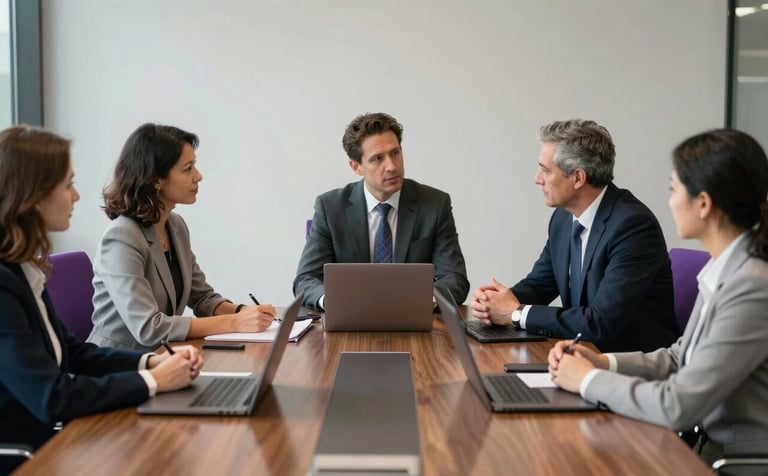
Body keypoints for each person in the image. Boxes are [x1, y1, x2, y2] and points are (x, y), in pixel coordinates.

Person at [548, 128, 768, 464]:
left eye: (674, 189)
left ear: (704, 204)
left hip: (730, 461)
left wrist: (588, 380)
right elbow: (680, 358)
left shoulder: (752, 286)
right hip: (698, 445)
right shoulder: (726, 270)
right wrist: (601, 362)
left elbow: (677, 405)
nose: (669, 202)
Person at [0, 125, 202, 472]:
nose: (76, 197)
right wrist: (153, 381)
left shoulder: (23, 269)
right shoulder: (3, 286)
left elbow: (74, 353)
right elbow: (53, 396)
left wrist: (149, 364)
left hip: (57, 442)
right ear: (32, 196)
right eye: (68, 184)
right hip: (31, 457)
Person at [470, 119, 678, 352]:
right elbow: (540, 285)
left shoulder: (633, 227)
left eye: (546, 170)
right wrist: (496, 303)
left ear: (578, 178)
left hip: (629, 366)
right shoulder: (563, 217)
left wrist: (516, 313)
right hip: (582, 354)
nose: (537, 179)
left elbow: (600, 323)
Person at [88, 124, 276, 352]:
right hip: (118, 364)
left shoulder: (175, 226)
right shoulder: (121, 238)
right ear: (156, 179)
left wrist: (243, 311)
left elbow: (203, 298)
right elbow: (149, 327)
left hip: (164, 357)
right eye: (187, 169)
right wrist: (235, 323)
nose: (199, 176)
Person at [293, 112, 469, 310]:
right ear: (356, 167)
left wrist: (428, 300)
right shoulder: (330, 207)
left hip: (414, 322)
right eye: (377, 158)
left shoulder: (435, 204)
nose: (392, 166)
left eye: (395, 153)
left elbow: (455, 278)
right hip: (350, 322)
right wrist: (332, 301)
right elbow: (305, 279)